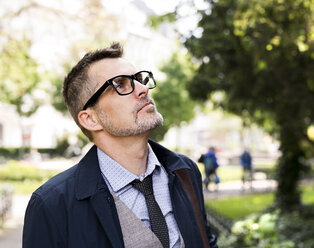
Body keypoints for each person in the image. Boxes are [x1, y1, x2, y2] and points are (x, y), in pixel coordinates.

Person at [23, 43, 217, 248]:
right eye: (120, 85)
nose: (143, 89)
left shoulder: (185, 172)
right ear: (90, 119)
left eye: (140, 80)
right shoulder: (52, 204)